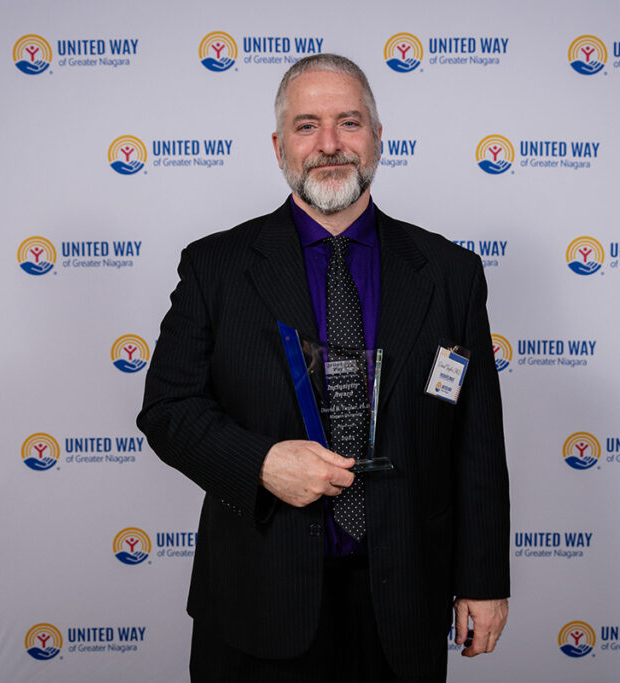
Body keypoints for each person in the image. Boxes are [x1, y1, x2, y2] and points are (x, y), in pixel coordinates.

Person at [137, 53, 510, 683]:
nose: (330, 144)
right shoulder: (216, 267)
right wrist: (260, 463)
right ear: (280, 145)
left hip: (403, 596)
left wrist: (484, 579)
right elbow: (168, 410)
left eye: (349, 122)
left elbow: (476, 437)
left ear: (378, 138)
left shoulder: (449, 273)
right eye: (308, 125)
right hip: (258, 595)